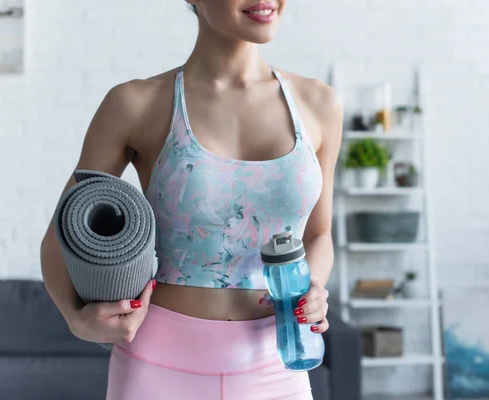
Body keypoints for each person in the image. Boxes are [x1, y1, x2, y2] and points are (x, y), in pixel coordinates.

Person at [40, 1, 343, 399]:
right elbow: (61, 236)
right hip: (157, 368)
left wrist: (313, 288)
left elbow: (319, 235)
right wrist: (76, 320)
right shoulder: (135, 104)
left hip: (279, 366)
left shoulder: (319, 105)